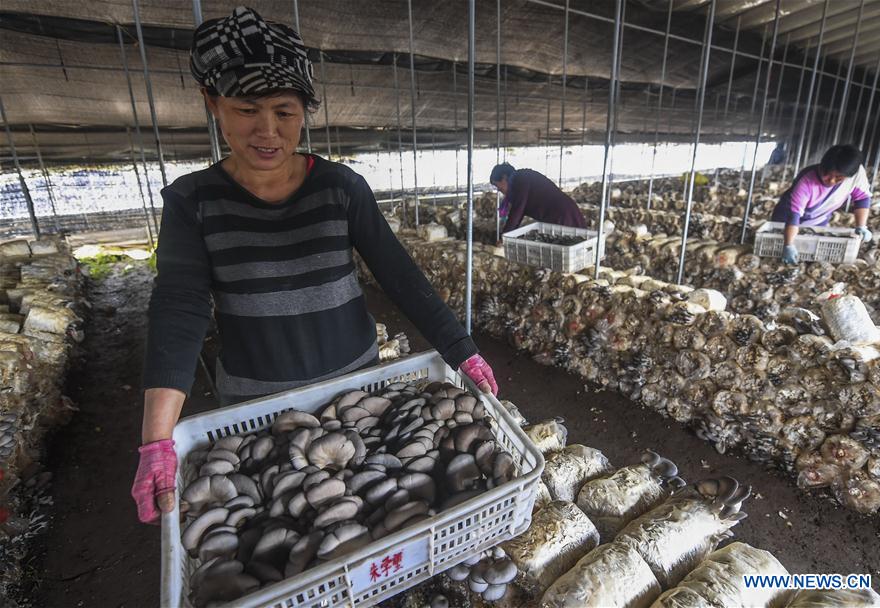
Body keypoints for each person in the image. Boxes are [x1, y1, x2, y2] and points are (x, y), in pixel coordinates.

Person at [131, 7, 498, 524]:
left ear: (304, 109)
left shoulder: (340, 187)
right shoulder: (192, 202)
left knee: (364, 516)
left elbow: (399, 274)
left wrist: (463, 351)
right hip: (258, 406)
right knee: (287, 519)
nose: (267, 131)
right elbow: (179, 307)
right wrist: (156, 439)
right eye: (245, 110)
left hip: (357, 393)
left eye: (284, 111)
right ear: (212, 103)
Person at [771, 144, 872, 265]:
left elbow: (862, 198)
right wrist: (788, 245)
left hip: (819, 218)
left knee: (810, 255)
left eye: (839, 178)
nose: (831, 180)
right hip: (787, 217)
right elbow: (793, 216)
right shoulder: (806, 181)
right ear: (822, 165)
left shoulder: (856, 173)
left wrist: (861, 226)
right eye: (827, 174)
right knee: (777, 253)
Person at [490, 163, 587, 236]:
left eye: (496, 185)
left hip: (562, 214)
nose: (498, 189)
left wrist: (505, 236)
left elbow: (517, 211)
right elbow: (518, 212)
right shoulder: (519, 180)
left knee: (571, 244)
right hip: (560, 213)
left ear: (504, 178)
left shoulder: (520, 179)